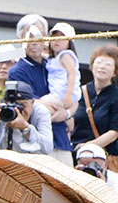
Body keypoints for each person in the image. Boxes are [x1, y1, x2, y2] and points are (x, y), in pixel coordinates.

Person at [8, 16, 72, 159]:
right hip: (34, 145)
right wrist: (59, 109)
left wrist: (67, 114)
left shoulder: (54, 64)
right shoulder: (17, 71)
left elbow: (73, 96)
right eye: (29, 35)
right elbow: (28, 105)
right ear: (20, 39)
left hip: (61, 139)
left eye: (39, 35)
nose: (35, 41)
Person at [68, 44, 118, 174]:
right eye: (99, 62)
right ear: (92, 65)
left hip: (103, 159)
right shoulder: (80, 92)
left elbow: (114, 133)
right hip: (76, 157)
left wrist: (89, 146)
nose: (102, 66)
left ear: (115, 71)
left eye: (108, 64)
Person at [0, 79, 46, 154]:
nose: (18, 111)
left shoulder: (40, 112)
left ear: (32, 103)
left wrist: (25, 127)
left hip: (31, 161)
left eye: (22, 105)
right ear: (5, 103)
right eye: (14, 106)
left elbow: (46, 148)